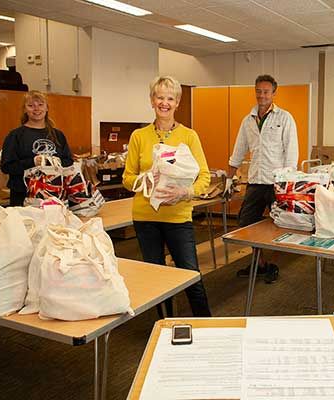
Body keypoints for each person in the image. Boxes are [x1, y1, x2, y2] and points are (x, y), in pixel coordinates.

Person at [123, 76, 211, 317]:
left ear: (177, 103)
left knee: (190, 275)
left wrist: (186, 192)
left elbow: (204, 176)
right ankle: (164, 326)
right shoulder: (139, 137)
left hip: (178, 217)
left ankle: (207, 327)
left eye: (169, 98)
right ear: (152, 101)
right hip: (145, 217)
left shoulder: (189, 136)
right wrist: (144, 180)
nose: (164, 103)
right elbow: (128, 178)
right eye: (159, 97)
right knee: (156, 280)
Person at [227, 74, 299, 283]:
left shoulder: (284, 118)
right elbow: (238, 151)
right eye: (259, 91)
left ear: (274, 93)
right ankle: (260, 264)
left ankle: (272, 263)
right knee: (245, 222)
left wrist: (287, 183)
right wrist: (229, 180)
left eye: (266, 92)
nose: (262, 95)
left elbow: (291, 153)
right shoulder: (247, 120)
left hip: (277, 183)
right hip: (256, 182)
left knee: (279, 224)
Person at [0, 90, 73, 206]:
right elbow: (6, 166)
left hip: (54, 194)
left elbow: (68, 161)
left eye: (40, 104)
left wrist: (55, 162)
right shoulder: (15, 135)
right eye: (30, 105)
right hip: (23, 195)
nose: (36, 109)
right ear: (24, 109)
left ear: (47, 108)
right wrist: (32, 162)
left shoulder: (58, 135)